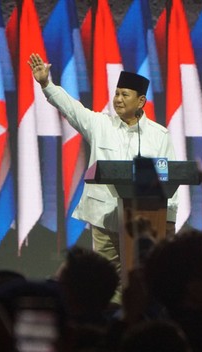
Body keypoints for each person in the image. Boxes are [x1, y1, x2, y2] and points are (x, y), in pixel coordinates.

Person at [28, 53, 178, 284]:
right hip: (105, 217)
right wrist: (46, 84)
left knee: (144, 277)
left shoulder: (159, 135)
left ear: (140, 101)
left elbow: (170, 179)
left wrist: (169, 218)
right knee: (107, 279)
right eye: (116, 93)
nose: (118, 99)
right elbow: (71, 108)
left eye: (124, 95)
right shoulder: (100, 124)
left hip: (145, 221)